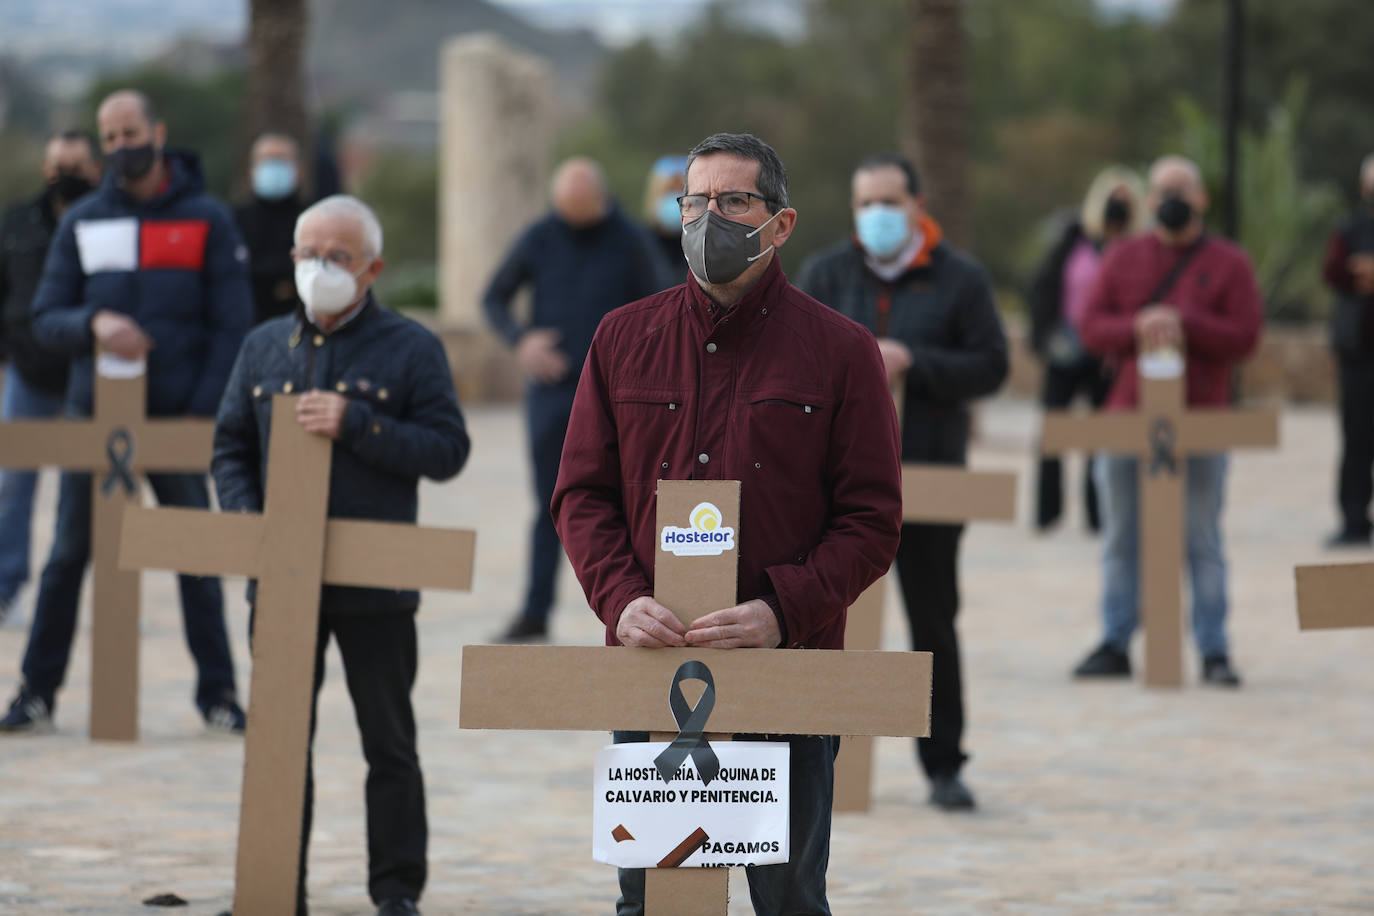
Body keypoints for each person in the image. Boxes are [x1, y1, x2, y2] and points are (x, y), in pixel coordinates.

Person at [552, 132, 902, 916]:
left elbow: (871, 519)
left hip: (791, 674)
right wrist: (619, 599)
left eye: (734, 201)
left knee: (787, 902)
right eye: (695, 201)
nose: (710, 217)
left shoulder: (843, 352)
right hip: (651, 674)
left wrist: (782, 610)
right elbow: (582, 496)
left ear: (780, 225)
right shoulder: (619, 339)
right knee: (650, 901)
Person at [213, 195, 468, 916]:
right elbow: (230, 444)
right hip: (283, 581)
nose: (318, 268)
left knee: (388, 743)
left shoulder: (411, 348)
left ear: (372, 268)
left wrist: (361, 424)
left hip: (377, 582)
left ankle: (396, 892)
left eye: (337, 257)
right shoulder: (264, 346)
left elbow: (449, 449)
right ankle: (273, 889)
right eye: (307, 255)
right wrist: (248, 524)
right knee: (280, 742)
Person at [0, 90, 251, 734]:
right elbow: (45, 318)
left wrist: (202, 413)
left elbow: (232, 326)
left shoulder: (207, 220)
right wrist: (95, 321)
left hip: (177, 422)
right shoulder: (83, 220)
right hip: (98, 424)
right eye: (108, 138)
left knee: (194, 554)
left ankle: (219, 695)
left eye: (129, 133)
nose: (119, 147)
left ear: (158, 132)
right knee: (67, 556)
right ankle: (36, 691)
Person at [797, 153, 1008, 812]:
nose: (877, 215)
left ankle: (944, 764)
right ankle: (822, 762)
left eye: (889, 201)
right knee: (827, 623)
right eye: (865, 204)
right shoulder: (825, 272)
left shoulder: (961, 278)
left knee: (934, 621)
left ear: (917, 205)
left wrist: (917, 361)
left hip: (929, 477)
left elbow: (992, 365)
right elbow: (790, 354)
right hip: (832, 489)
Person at [1072, 155, 1262, 687]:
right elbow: (1090, 327)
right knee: (1119, 537)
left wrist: (1186, 323)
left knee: (1201, 538)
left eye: (1180, 189)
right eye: (1159, 191)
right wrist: (1139, 325)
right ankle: (1115, 640)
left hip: (1199, 422)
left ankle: (1214, 648)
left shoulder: (1229, 262)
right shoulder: (1125, 256)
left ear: (1201, 198)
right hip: (1127, 418)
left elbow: (1245, 336)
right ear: (1148, 202)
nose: (1169, 199)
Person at [484, 156, 665, 642]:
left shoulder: (630, 240)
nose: (573, 221)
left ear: (601, 200)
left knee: (627, 506)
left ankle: (635, 613)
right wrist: (521, 340)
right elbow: (493, 297)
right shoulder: (540, 235)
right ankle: (535, 612)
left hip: (617, 397)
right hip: (553, 391)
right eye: (566, 212)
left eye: (582, 211)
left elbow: (664, 304)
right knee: (551, 504)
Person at [0, 131, 102, 624]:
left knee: (82, 494)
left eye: (78, 166)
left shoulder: (107, 222)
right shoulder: (16, 222)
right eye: (60, 165)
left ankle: (72, 597)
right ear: (45, 168)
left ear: (96, 171)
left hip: (88, 378)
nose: (67, 175)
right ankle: (5, 590)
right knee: (14, 486)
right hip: (28, 375)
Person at [1028, 166, 1146, 533]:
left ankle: (1098, 516)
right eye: (1111, 199)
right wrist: (1047, 340)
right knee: (1052, 432)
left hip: (1108, 355)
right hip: (1065, 350)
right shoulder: (1072, 240)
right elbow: (1044, 289)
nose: (1116, 208)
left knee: (1101, 436)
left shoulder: (1137, 250)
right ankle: (1047, 514)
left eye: (1125, 201)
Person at [1322, 153, 1374, 547]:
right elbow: (1332, 272)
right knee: (1356, 435)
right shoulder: (1350, 228)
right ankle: (1353, 518)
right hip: (1358, 350)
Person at [234, 132, 308, 326]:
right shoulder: (235, 219)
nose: (273, 167)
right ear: (252, 170)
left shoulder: (313, 219)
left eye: (281, 160)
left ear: (298, 169)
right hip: (249, 324)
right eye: (267, 160)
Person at [641, 153, 688, 289]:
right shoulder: (639, 243)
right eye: (670, 191)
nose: (675, 199)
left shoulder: (704, 246)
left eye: (681, 192)